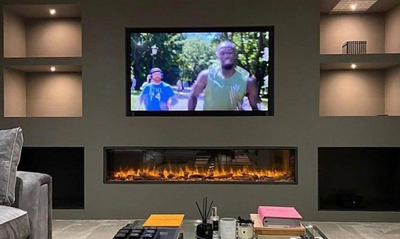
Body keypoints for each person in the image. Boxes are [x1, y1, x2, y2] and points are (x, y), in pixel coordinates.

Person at [188, 40, 258, 111]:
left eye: (230, 53)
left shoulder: (247, 81)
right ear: (217, 56)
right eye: (222, 53)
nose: (226, 56)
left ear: (235, 55)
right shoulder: (205, 76)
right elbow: (193, 96)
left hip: (234, 121)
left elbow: (254, 108)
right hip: (208, 121)